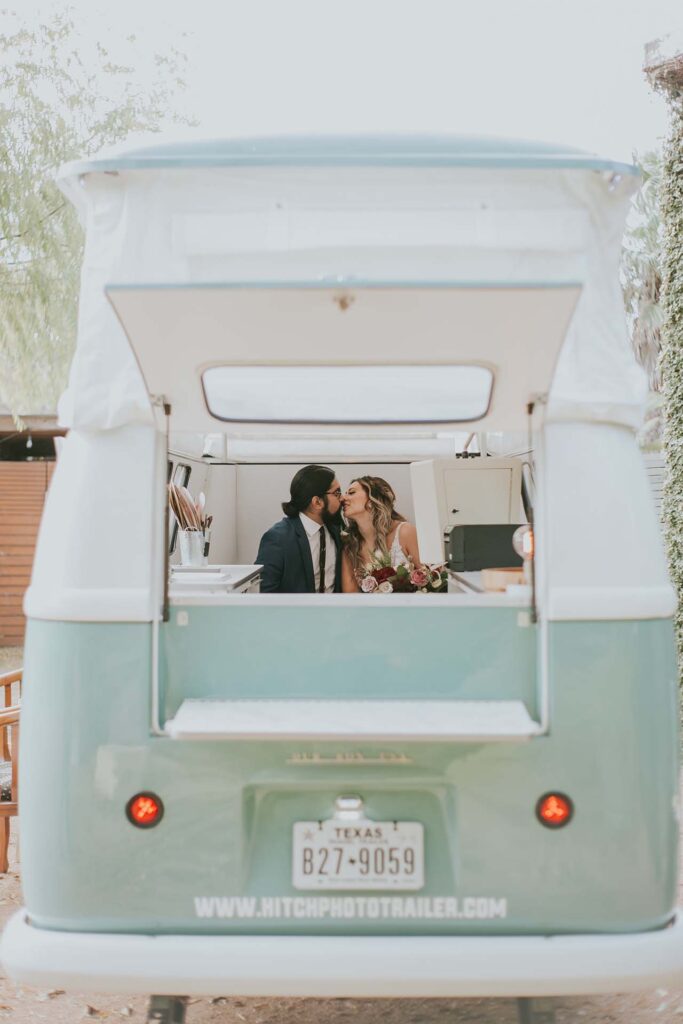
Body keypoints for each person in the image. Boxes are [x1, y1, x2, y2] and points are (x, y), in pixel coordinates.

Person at [256, 465, 343, 593]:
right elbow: (264, 593)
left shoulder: (335, 529)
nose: (342, 497)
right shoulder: (278, 538)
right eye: (337, 493)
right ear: (317, 502)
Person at [341, 476, 421, 592]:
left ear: (371, 500)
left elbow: (431, 580)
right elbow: (350, 597)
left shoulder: (405, 532)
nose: (343, 498)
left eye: (351, 493)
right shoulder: (350, 546)